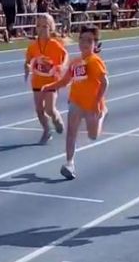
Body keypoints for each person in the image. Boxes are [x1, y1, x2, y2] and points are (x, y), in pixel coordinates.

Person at [42, 25, 108, 180]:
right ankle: (69, 163)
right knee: (71, 132)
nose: (85, 43)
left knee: (93, 136)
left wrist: (98, 103)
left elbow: (105, 83)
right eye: (82, 39)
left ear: (95, 44)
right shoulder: (75, 62)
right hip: (76, 101)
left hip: (92, 104)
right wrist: (49, 86)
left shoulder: (95, 61)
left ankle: (103, 114)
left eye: (89, 41)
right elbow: (65, 81)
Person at [24, 14, 68, 144]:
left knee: (49, 108)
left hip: (52, 81)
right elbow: (28, 61)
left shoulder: (55, 44)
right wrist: (27, 66)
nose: (41, 29)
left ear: (51, 28)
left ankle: (56, 118)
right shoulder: (32, 46)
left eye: (45, 26)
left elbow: (65, 55)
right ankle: (46, 130)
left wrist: (62, 65)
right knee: (39, 109)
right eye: (38, 26)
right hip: (37, 80)